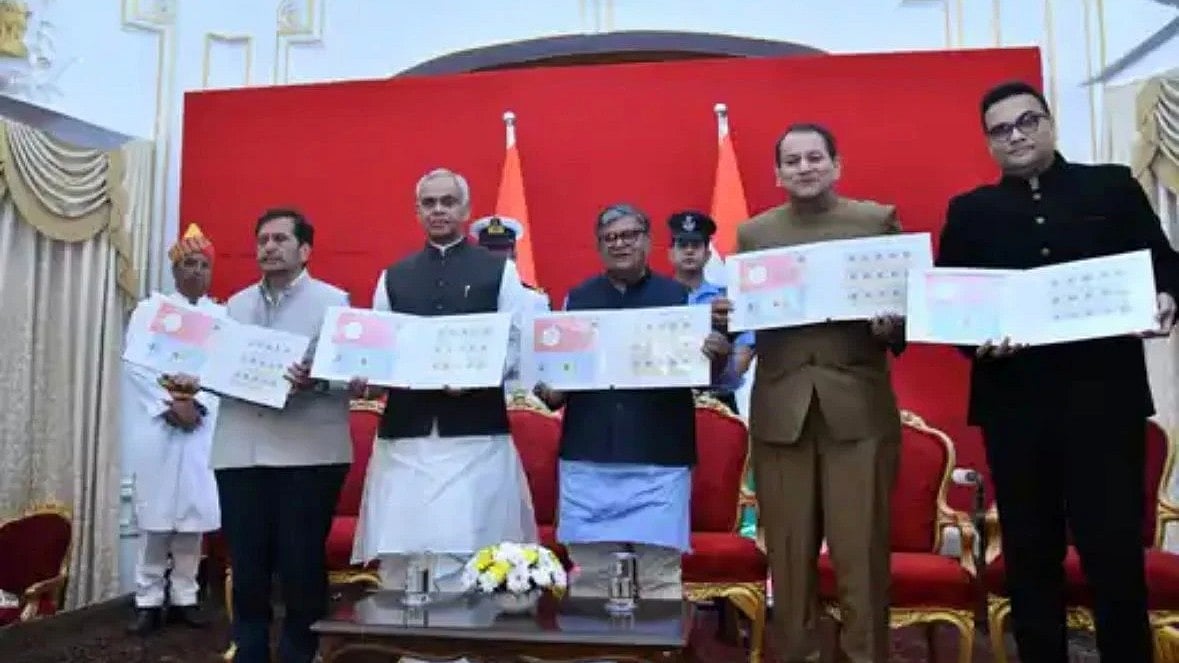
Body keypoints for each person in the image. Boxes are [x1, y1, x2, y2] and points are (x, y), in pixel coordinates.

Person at [937, 80, 1179, 662]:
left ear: (1049, 123)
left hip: (1106, 402)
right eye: (1001, 130)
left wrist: (1167, 296)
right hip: (1015, 408)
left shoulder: (1111, 186)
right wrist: (977, 343)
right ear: (988, 142)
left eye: (1028, 122)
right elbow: (951, 306)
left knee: (1114, 552)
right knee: (1029, 553)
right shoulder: (971, 211)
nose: (1017, 136)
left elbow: (1164, 263)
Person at [736, 123, 905, 662]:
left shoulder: (874, 222)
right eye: (792, 161)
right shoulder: (754, 235)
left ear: (837, 164)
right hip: (781, 410)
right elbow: (746, 319)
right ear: (777, 173)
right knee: (788, 559)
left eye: (815, 158)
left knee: (862, 554)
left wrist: (893, 325)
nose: (804, 168)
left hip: (858, 411)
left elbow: (908, 313)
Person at [350, 169, 537, 595]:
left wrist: (477, 377)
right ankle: (407, 633)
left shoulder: (499, 272)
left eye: (448, 202)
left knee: (470, 547)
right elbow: (381, 349)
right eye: (429, 203)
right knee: (403, 547)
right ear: (417, 212)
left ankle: (464, 633)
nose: (439, 210)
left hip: (474, 434)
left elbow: (516, 342)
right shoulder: (393, 276)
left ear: (466, 210)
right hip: (406, 436)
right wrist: (367, 378)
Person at [534, 203, 731, 600]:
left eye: (629, 235)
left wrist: (718, 354)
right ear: (598, 247)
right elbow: (557, 393)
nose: (619, 244)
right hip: (589, 455)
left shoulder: (680, 299)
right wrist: (541, 378)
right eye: (609, 238)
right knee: (591, 578)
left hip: (659, 457)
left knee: (658, 577)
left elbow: (706, 378)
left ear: (648, 241)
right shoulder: (578, 300)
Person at [210, 208, 353, 663]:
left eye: (280, 239)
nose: (269, 247)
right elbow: (219, 368)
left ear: (305, 250)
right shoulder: (234, 306)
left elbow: (356, 375)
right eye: (262, 240)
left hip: (308, 454)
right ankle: (249, 649)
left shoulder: (334, 303)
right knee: (247, 566)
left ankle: (300, 652)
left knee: (300, 564)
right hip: (240, 452)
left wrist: (317, 379)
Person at [121, 223, 223, 635]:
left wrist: (198, 405)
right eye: (189, 264)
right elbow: (135, 364)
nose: (197, 271)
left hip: (201, 426)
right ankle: (147, 600)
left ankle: (185, 596)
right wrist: (169, 404)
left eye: (203, 265)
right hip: (159, 426)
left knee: (191, 522)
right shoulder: (151, 311)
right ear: (175, 270)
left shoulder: (221, 317)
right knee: (155, 519)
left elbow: (224, 370)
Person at [666, 210, 755, 414]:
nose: (689, 251)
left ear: (707, 254)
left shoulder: (729, 301)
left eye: (696, 245)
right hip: (667, 401)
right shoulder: (656, 299)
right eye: (682, 245)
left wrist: (720, 360)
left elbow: (741, 362)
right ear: (670, 253)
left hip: (718, 402)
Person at [469, 214, 550, 312]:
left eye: (501, 249)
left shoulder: (535, 300)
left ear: (514, 255)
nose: (496, 255)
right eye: (490, 249)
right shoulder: (466, 296)